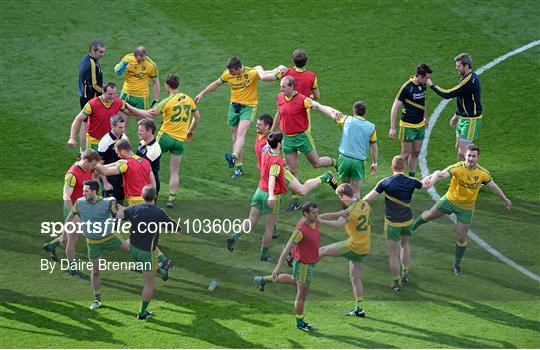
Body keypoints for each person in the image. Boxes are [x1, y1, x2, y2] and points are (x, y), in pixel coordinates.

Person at [413, 144, 511, 275]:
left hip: (466, 209)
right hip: (449, 201)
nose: (470, 158)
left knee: (461, 237)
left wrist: (505, 200)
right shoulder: (457, 167)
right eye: (469, 155)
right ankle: (412, 227)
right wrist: (427, 180)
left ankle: (456, 264)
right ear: (465, 155)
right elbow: (442, 174)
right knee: (429, 215)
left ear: (478, 157)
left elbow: (494, 186)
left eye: (473, 156)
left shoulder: (483, 173)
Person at [95, 139, 172, 273]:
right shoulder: (144, 161)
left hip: (135, 203)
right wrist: (152, 201)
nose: (117, 155)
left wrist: (92, 163)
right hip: (147, 201)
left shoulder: (126, 165)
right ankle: (149, 263)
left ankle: (163, 261)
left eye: (118, 153)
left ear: (123, 151)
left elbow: (106, 172)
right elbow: (152, 182)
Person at [194, 56, 277, 178]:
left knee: (240, 134)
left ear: (239, 68)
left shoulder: (252, 73)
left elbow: (267, 74)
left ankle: (233, 157)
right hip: (234, 107)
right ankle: (239, 168)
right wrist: (202, 93)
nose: (230, 73)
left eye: (232, 71)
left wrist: (280, 71)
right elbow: (217, 83)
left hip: (248, 108)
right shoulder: (228, 74)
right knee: (234, 137)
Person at [126, 74, 200, 208]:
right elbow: (197, 117)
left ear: (167, 86)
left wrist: (129, 109)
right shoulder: (189, 99)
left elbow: (149, 114)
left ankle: (143, 192)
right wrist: (190, 131)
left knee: (144, 162)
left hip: (165, 137)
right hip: (179, 141)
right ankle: (171, 199)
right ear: (178, 84)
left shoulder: (166, 101)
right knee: (174, 171)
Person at [271, 76, 339, 209]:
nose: (281, 89)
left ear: (292, 87)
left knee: (316, 163)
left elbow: (318, 106)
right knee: (293, 169)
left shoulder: (302, 100)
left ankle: (334, 163)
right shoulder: (280, 97)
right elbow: (279, 113)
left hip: (302, 138)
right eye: (281, 86)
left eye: (284, 86)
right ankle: (296, 200)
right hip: (288, 139)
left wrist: (331, 114)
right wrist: (272, 131)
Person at [363, 156, 429, 290]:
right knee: (405, 246)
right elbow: (426, 184)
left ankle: (397, 283)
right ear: (404, 168)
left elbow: (367, 199)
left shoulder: (384, 182)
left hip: (392, 223)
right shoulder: (412, 181)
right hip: (407, 221)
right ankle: (405, 274)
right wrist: (436, 175)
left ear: (392, 168)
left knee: (393, 254)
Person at [253, 201, 321, 332]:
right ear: (306, 214)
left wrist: (341, 216)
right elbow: (286, 249)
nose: (316, 215)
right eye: (313, 213)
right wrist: (278, 268)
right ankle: (300, 323)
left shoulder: (314, 221)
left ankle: (262, 280)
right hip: (304, 265)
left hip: (307, 263)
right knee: (302, 295)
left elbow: (325, 217)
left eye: (317, 212)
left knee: (294, 281)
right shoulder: (300, 230)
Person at [116, 185, 180, 320]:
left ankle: (162, 273)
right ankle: (142, 313)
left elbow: (120, 215)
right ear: (155, 196)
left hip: (133, 250)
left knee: (147, 267)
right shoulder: (159, 213)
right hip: (147, 253)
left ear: (141, 195)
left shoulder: (134, 209)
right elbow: (177, 230)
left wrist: (121, 209)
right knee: (148, 284)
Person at [64, 180, 129, 310]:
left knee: (129, 249)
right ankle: (97, 300)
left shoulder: (107, 202)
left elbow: (119, 212)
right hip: (93, 243)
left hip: (110, 237)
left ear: (94, 191)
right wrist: (64, 231)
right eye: (83, 190)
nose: (83, 193)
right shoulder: (80, 202)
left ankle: (156, 261)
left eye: (86, 191)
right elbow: (70, 216)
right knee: (95, 272)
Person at [226, 133, 287, 261]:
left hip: (259, 191)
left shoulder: (265, 151)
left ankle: (234, 236)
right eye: (282, 141)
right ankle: (264, 255)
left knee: (251, 220)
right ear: (279, 144)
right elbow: (272, 177)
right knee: (270, 227)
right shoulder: (276, 161)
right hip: (270, 195)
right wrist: (271, 195)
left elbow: (268, 142)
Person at [317, 183, 372, 318]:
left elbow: (338, 223)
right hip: (365, 246)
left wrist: (320, 219)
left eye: (340, 197)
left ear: (343, 196)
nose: (340, 200)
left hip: (354, 245)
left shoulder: (349, 212)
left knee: (323, 250)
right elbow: (342, 212)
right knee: (355, 277)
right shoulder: (365, 204)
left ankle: (302, 266)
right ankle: (359, 309)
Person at [43, 150, 100, 276]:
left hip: (83, 209)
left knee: (73, 237)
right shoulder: (72, 174)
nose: (94, 167)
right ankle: (72, 269)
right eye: (92, 164)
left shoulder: (88, 168)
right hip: (72, 209)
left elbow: (99, 169)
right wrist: (74, 215)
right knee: (72, 239)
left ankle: (51, 245)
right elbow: (66, 196)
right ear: (85, 161)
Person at [426, 53, 482, 161]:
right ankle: (464, 171)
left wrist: (431, 85)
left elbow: (448, 94)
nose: (456, 68)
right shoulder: (465, 77)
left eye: (459, 66)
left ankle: (467, 175)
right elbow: (462, 97)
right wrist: (457, 114)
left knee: (464, 153)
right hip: (463, 118)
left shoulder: (469, 80)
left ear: (466, 66)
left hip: (471, 120)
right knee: (458, 148)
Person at [389, 64, 432, 177]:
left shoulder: (423, 85)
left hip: (420, 125)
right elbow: (395, 106)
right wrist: (393, 128)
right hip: (407, 126)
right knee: (406, 154)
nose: (428, 80)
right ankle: (397, 176)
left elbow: (423, 103)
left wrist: (425, 117)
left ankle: (411, 177)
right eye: (427, 78)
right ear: (421, 76)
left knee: (416, 153)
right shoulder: (406, 88)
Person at [331, 101, 378, 196]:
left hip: (344, 159)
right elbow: (374, 148)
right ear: (365, 112)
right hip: (358, 162)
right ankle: (355, 210)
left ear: (353, 111)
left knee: (344, 188)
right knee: (356, 191)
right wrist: (374, 163)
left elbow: (332, 114)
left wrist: (333, 111)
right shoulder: (371, 127)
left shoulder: (346, 119)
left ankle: (345, 209)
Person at [68, 81, 129, 152]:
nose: (112, 97)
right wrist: (72, 138)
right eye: (110, 94)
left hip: (110, 141)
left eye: (114, 94)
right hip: (94, 143)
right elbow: (78, 119)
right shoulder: (92, 104)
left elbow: (129, 112)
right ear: (103, 92)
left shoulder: (118, 102)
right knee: (93, 162)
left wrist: (143, 113)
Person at [78, 40, 105, 154]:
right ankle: (84, 151)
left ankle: (83, 150)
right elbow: (93, 84)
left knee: (85, 122)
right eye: (100, 52)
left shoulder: (85, 58)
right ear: (93, 51)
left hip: (84, 96)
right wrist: (104, 92)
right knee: (87, 123)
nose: (102, 54)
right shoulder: (92, 64)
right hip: (90, 98)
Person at [97, 115, 128, 202]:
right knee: (109, 205)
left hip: (121, 175)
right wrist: (106, 183)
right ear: (112, 126)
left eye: (123, 127)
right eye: (120, 127)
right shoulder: (105, 142)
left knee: (120, 201)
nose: (122, 129)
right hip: (109, 178)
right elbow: (99, 165)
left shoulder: (124, 138)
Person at [136, 119, 162, 198]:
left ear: (149, 132)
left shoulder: (154, 149)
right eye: (139, 130)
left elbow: (142, 165)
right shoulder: (143, 142)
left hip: (150, 184)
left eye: (141, 130)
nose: (138, 132)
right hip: (141, 180)